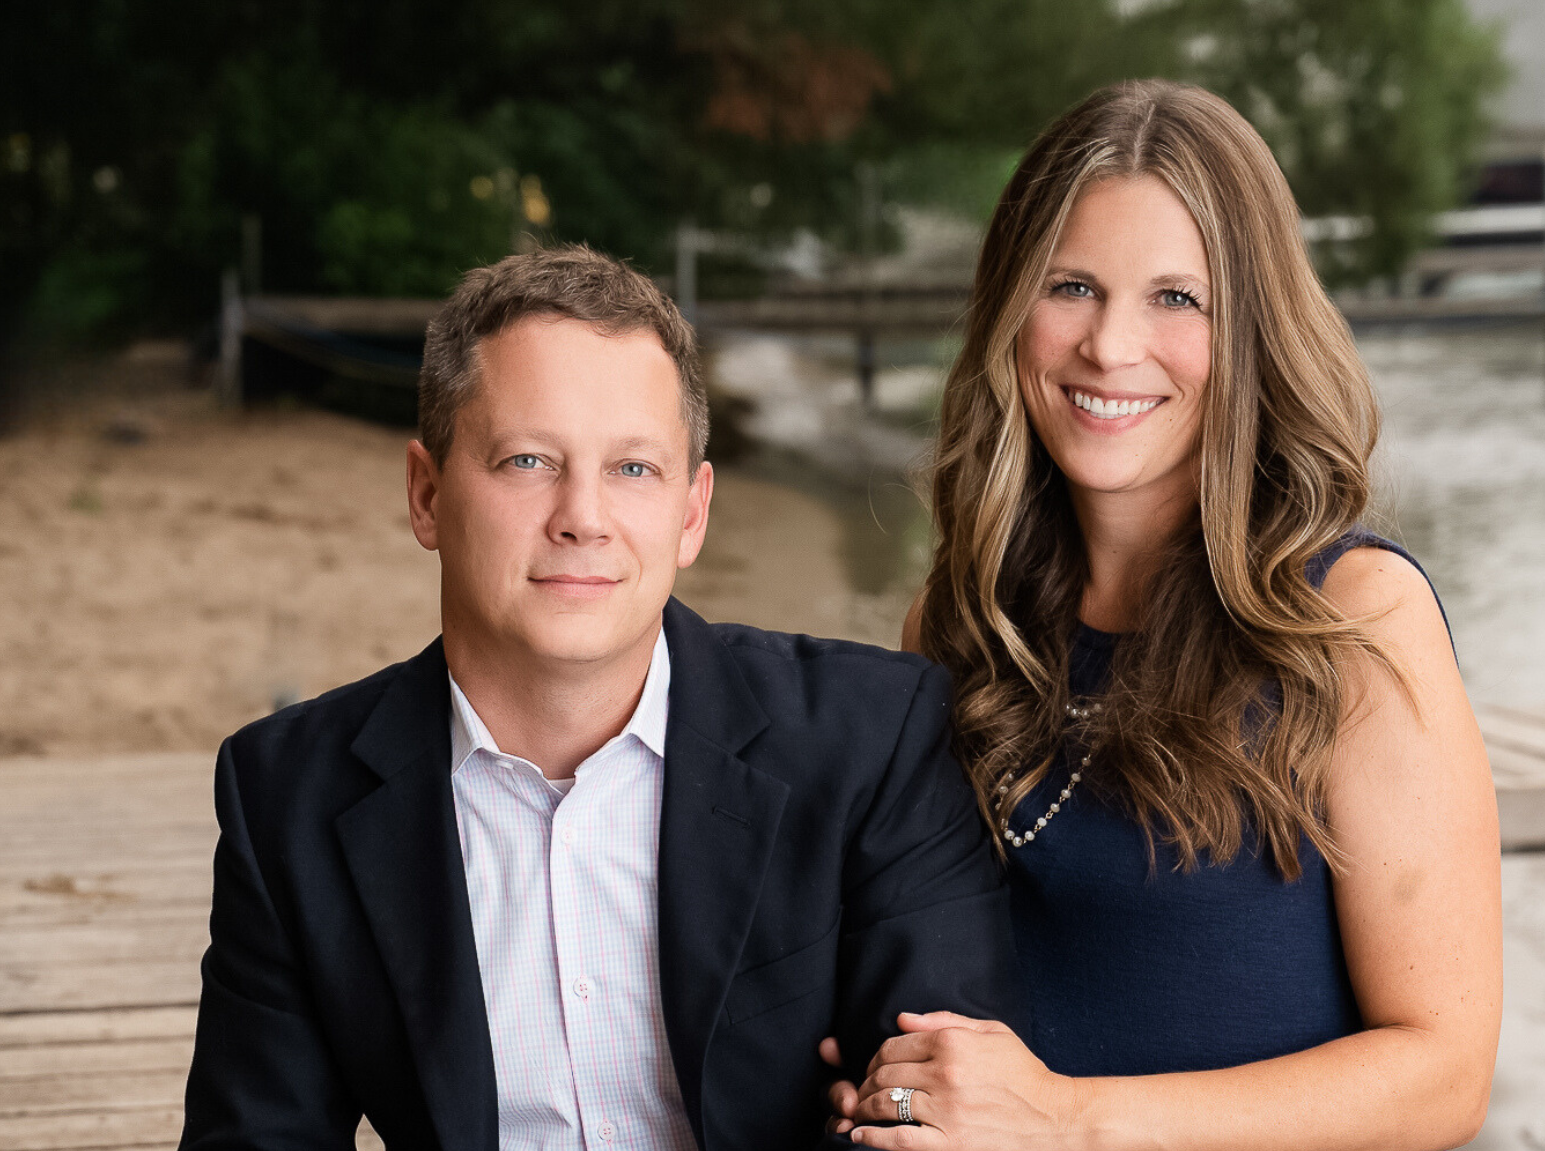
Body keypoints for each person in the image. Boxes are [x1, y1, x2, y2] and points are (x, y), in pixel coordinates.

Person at [178, 245, 1015, 1150]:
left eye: (632, 469)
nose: (582, 515)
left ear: (691, 513)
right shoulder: (288, 798)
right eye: (528, 459)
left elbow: (943, 1120)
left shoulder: (875, 738)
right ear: (427, 494)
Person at [828, 80, 1502, 1150]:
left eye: (1176, 299)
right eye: (1072, 285)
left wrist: (1068, 1118)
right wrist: (894, 1084)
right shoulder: (956, 619)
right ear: (1011, 305)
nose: (1109, 345)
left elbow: (1445, 1073)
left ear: (1253, 330)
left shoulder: (1354, 618)